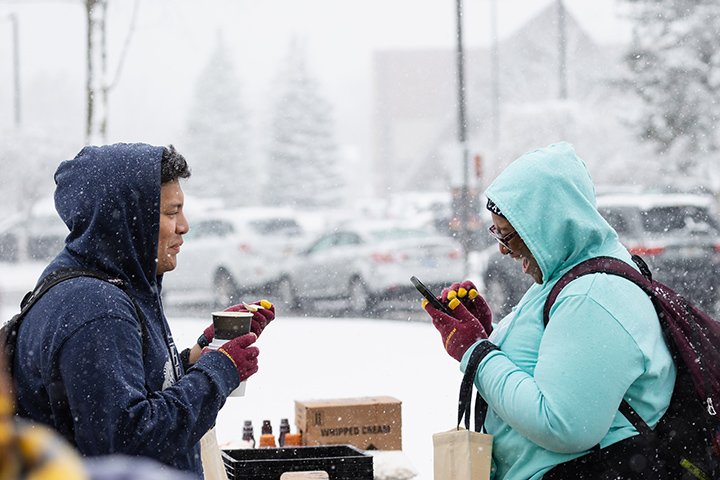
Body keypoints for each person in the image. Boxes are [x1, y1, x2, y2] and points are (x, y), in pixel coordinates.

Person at [12, 143, 274, 478]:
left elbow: (122, 393)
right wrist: (217, 373)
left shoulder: (106, 283)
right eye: (171, 213)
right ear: (128, 219)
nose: (184, 226)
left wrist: (197, 357)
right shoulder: (97, 310)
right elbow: (129, 443)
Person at [423, 142, 676, 479]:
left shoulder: (593, 295)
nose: (501, 249)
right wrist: (490, 334)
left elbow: (564, 425)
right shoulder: (568, 272)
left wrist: (477, 352)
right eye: (496, 232)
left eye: (508, 235)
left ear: (547, 225)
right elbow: (558, 364)